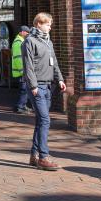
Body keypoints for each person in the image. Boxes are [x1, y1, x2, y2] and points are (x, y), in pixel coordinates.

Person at [22, 12, 66, 170]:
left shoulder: (48, 42)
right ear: (38, 24)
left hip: (48, 86)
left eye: (50, 24)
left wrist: (59, 79)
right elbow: (28, 66)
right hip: (37, 87)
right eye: (48, 24)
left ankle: (34, 155)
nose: (50, 27)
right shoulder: (29, 41)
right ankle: (43, 157)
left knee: (41, 121)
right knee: (45, 120)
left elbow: (54, 62)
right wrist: (33, 85)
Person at [11, 25, 31, 113]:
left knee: (24, 89)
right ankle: (20, 107)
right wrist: (23, 71)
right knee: (24, 89)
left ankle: (22, 105)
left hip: (21, 71)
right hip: (21, 72)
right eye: (27, 32)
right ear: (22, 32)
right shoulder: (18, 42)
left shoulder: (21, 41)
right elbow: (18, 58)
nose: (27, 34)